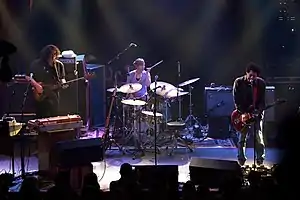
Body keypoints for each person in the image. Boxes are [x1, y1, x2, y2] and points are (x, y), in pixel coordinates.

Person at [233, 62, 266, 166]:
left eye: (254, 76)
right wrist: (243, 113)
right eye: (250, 75)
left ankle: (260, 158)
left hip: (256, 112)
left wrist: (259, 111)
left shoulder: (261, 84)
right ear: (246, 73)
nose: (252, 78)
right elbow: (236, 99)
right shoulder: (238, 82)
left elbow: (262, 101)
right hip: (243, 112)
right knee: (242, 136)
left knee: (258, 135)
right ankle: (241, 158)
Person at [27, 44, 67, 118]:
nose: (53, 56)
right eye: (51, 54)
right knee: (41, 114)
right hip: (41, 93)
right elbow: (28, 77)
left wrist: (64, 83)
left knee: (54, 115)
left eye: (55, 54)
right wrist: (37, 85)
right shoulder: (37, 64)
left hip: (54, 94)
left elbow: (62, 78)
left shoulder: (59, 65)